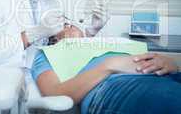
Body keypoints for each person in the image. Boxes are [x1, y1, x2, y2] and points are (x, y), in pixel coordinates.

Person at [31, 39, 181, 114]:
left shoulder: (108, 41)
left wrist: (171, 63)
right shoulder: (48, 53)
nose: (70, 25)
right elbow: (55, 95)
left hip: (162, 75)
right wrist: (109, 65)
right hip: (113, 85)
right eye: (65, 23)